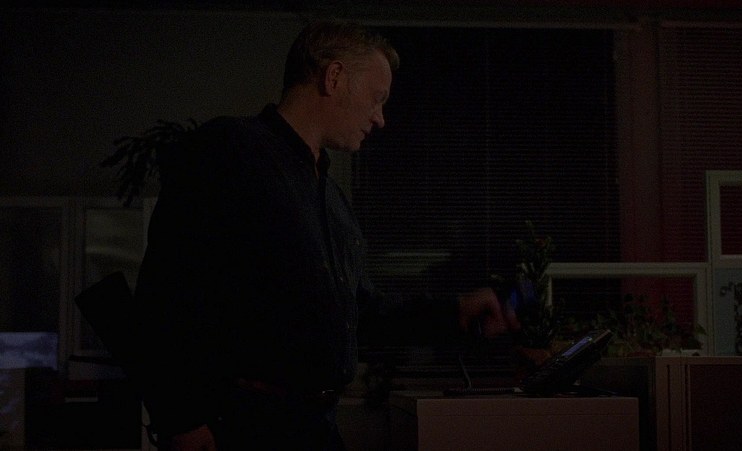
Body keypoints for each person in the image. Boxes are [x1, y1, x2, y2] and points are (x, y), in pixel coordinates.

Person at [134, 19, 512, 451]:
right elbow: (165, 292)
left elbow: (359, 312)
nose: (380, 118)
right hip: (242, 427)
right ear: (334, 78)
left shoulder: (331, 198)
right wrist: (181, 419)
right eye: (377, 98)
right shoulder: (231, 150)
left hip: (315, 427)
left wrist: (455, 311)